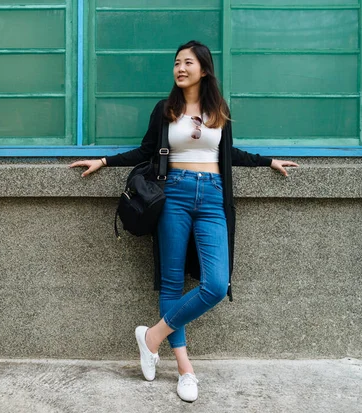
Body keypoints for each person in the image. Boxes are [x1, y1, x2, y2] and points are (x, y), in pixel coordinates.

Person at [69, 40, 298, 403]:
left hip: (212, 197)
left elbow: (228, 153)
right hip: (173, 195)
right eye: (176, 63)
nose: (180, 68)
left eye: (187, 63)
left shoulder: (218, 110)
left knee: (217, 284)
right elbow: (146, 151)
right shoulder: (166, 110)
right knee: (172, 282)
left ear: (204, 70)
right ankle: (185, 370)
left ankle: (152, 337)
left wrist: (267, 161)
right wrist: (105, 161)